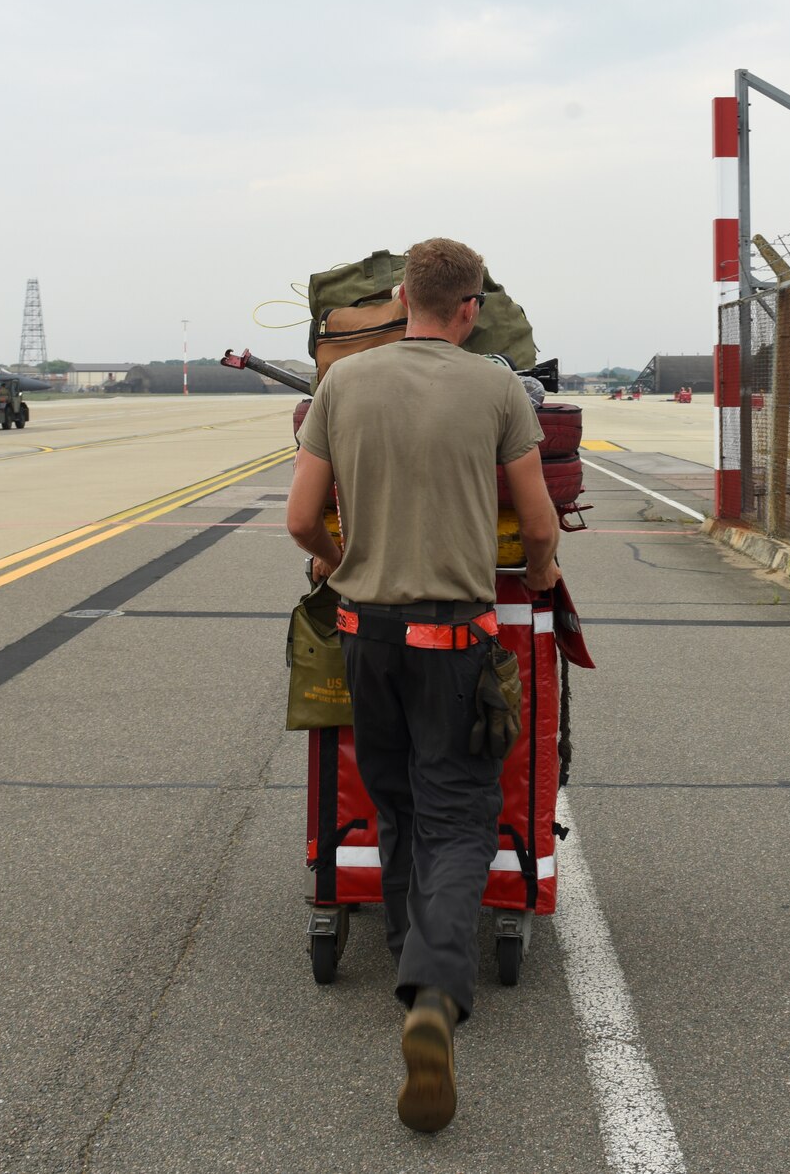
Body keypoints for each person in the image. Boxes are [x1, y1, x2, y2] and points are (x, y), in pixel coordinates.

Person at [286, 237, 559, 1134]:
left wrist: (341, 558)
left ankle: (406, 953)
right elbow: (539, 520)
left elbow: (299, 521)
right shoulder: (496, 389)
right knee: (460, 814)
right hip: (456, 641)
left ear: (402, 298)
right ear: (470, 309)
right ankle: (434, 992)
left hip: (366, 638)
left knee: (394, 798)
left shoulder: (341, 387)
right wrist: (545, 576)